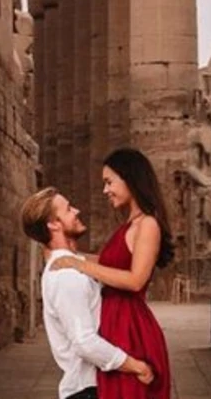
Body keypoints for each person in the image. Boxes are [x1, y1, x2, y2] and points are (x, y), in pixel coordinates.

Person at [52, 149, 174, 399]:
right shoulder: (129, 224)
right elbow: (109, 264)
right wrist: (68, 256)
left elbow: (136, 279)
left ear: (130, 178)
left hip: (131, 328)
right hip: (113, 324)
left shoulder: (148, 224)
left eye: (109, 182)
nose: (105, 190)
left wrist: (80, 265)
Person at [21, 188, 155, 399]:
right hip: (87, 390)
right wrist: (136, 366)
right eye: (68, 209)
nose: (76, 211)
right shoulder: (66, 275)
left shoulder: (73, 265)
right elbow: (84, 342)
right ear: (53, 224)